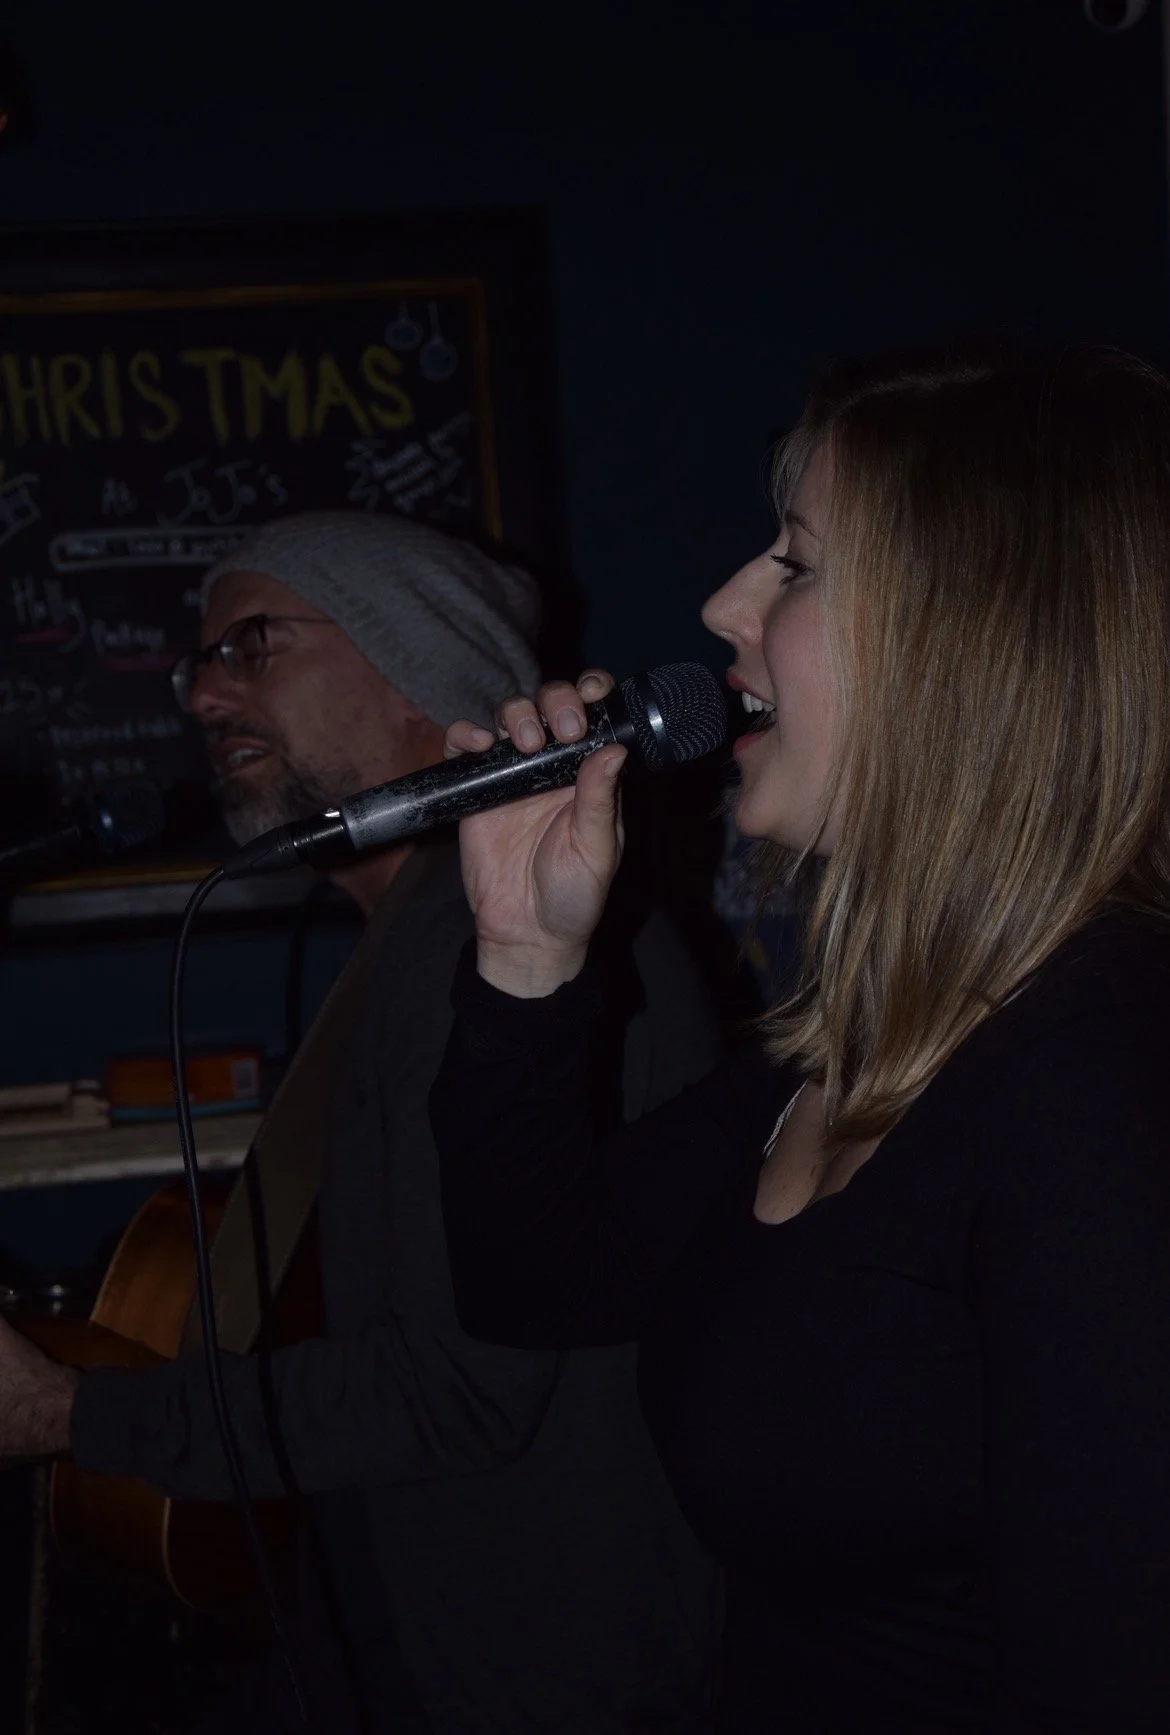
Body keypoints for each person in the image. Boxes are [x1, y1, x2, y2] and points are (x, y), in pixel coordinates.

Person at [431, 345, 1170, 1733]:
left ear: (980, 637)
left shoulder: (1092, 1089)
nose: (721, 602)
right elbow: (536, 1280)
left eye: (797, 563)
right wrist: (525, 960)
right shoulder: (862, 1043)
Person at [0, 511, 723, 1733]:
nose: (204, 694)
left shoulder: (486, 951)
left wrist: (64, 1414)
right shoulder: (408, 943)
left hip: (558, 1678)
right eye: (197, 666)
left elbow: (456, 1393)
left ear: (422, 676)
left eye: (254, 644)